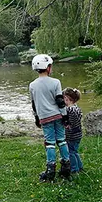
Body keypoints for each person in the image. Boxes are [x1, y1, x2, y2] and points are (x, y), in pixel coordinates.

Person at [29, 54, 70, 182]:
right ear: (48, 67)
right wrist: (65, 116)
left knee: (49, 143)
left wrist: (37, 118)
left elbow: (34, 104)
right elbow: (60, 101)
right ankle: (66, 167)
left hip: (44, 118)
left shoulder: (32, 85)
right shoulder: (56, 82)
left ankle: (50, 169)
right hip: (57, 115)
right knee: (62, 140)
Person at [63, 87, 84, 174]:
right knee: (75, 151)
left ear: (67, 99)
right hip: (78, 134)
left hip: (72, 135)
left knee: (70, 152)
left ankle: (74, 169)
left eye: (64, 98)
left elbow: (69, 123)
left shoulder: (69, 110)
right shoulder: (77, 108)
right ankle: (80, 166)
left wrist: (64, 124)